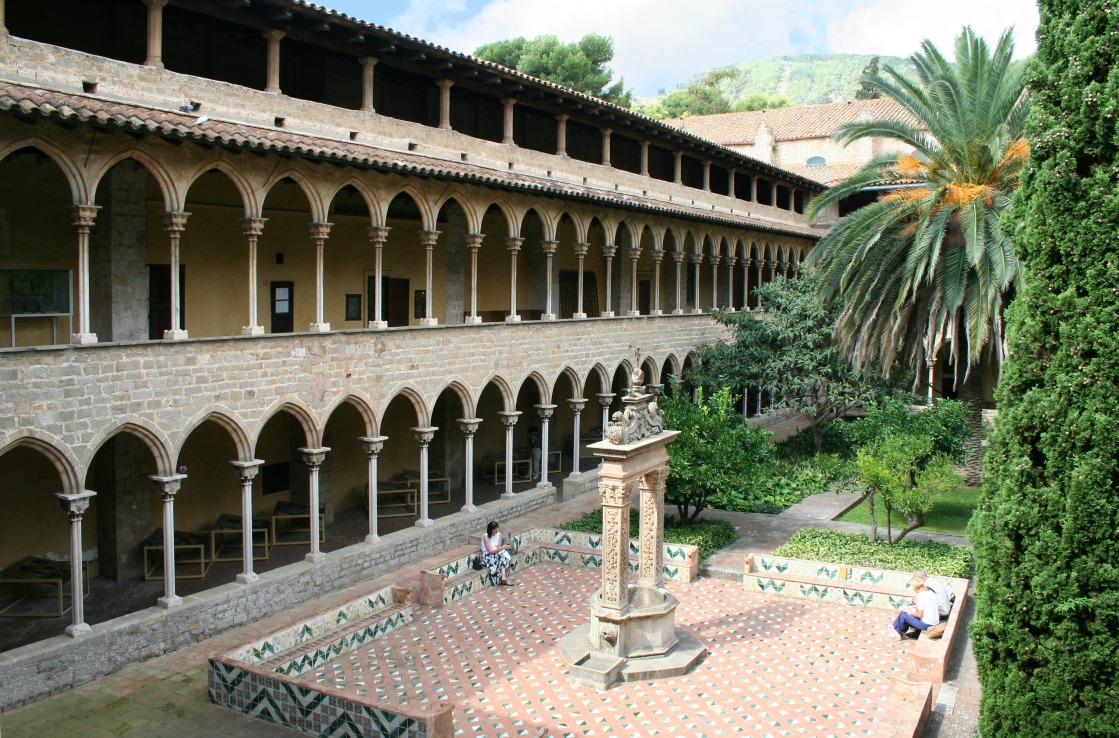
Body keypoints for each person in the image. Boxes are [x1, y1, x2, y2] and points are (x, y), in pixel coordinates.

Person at [481, 520, 515, 586]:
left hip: (497, 552)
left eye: (497, 530)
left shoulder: (499, 534)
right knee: (501, 557)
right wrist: (503, 548)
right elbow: (490, 551)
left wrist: (502, 548)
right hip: (488, 555)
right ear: (491, 530)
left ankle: (503, 577)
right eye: (495, 530)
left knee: (503, 556)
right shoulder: (486, 537)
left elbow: (498, 547)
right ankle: (503, 578)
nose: (496, 532)